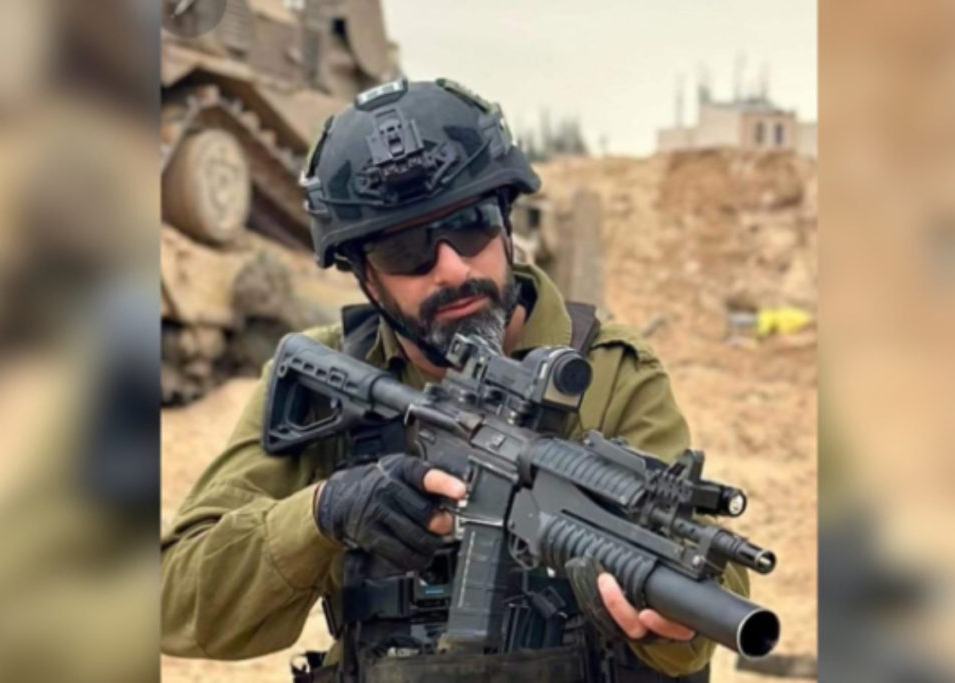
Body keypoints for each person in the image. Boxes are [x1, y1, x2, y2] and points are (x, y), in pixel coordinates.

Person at [161, 78, 749, 682]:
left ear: (507, 224)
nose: (451, 268)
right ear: (364, 275)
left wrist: (670, 625)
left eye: (471, 225)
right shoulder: (326, 379)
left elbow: (706, 588)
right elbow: (173, 602)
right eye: (405, 250)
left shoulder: (608, 369)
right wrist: (323, 512)